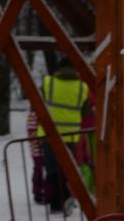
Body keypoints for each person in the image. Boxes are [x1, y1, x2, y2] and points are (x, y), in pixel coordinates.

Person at [32, 61, 94, 211]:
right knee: (68, 169)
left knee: (52, 169)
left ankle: (54, 203)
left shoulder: (48, 83)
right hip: (71, 135)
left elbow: (37, 103)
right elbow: (85, 112)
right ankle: (66, 199)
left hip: (49, 134)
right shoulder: (82, 87)